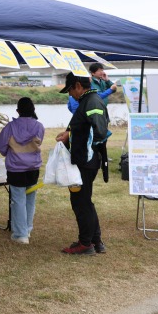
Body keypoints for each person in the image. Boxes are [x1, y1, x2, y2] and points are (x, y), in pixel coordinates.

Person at [57, 73, 109, 255]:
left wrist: (69, 136)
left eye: (70, 90)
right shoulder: (87, 101)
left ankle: (85, 244)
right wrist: (69, 133)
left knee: (81, 202)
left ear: (78, 85)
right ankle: (95, 241)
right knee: (85, 201)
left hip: (86, 161)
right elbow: (84, 126)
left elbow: (99, 131)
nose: (70, 95)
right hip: (84, 160)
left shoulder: (92, 102)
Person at [0, 98, 45, 244]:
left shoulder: (10, 127)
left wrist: (10, 152)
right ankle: (27, 229)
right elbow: (39, 142)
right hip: (33, 167)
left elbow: (2, 146)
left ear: (18, 111)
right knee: (30, 199)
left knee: (18, 200)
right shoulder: (39, 126)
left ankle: (20, 234)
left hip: (16, 168)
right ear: (33, 110)